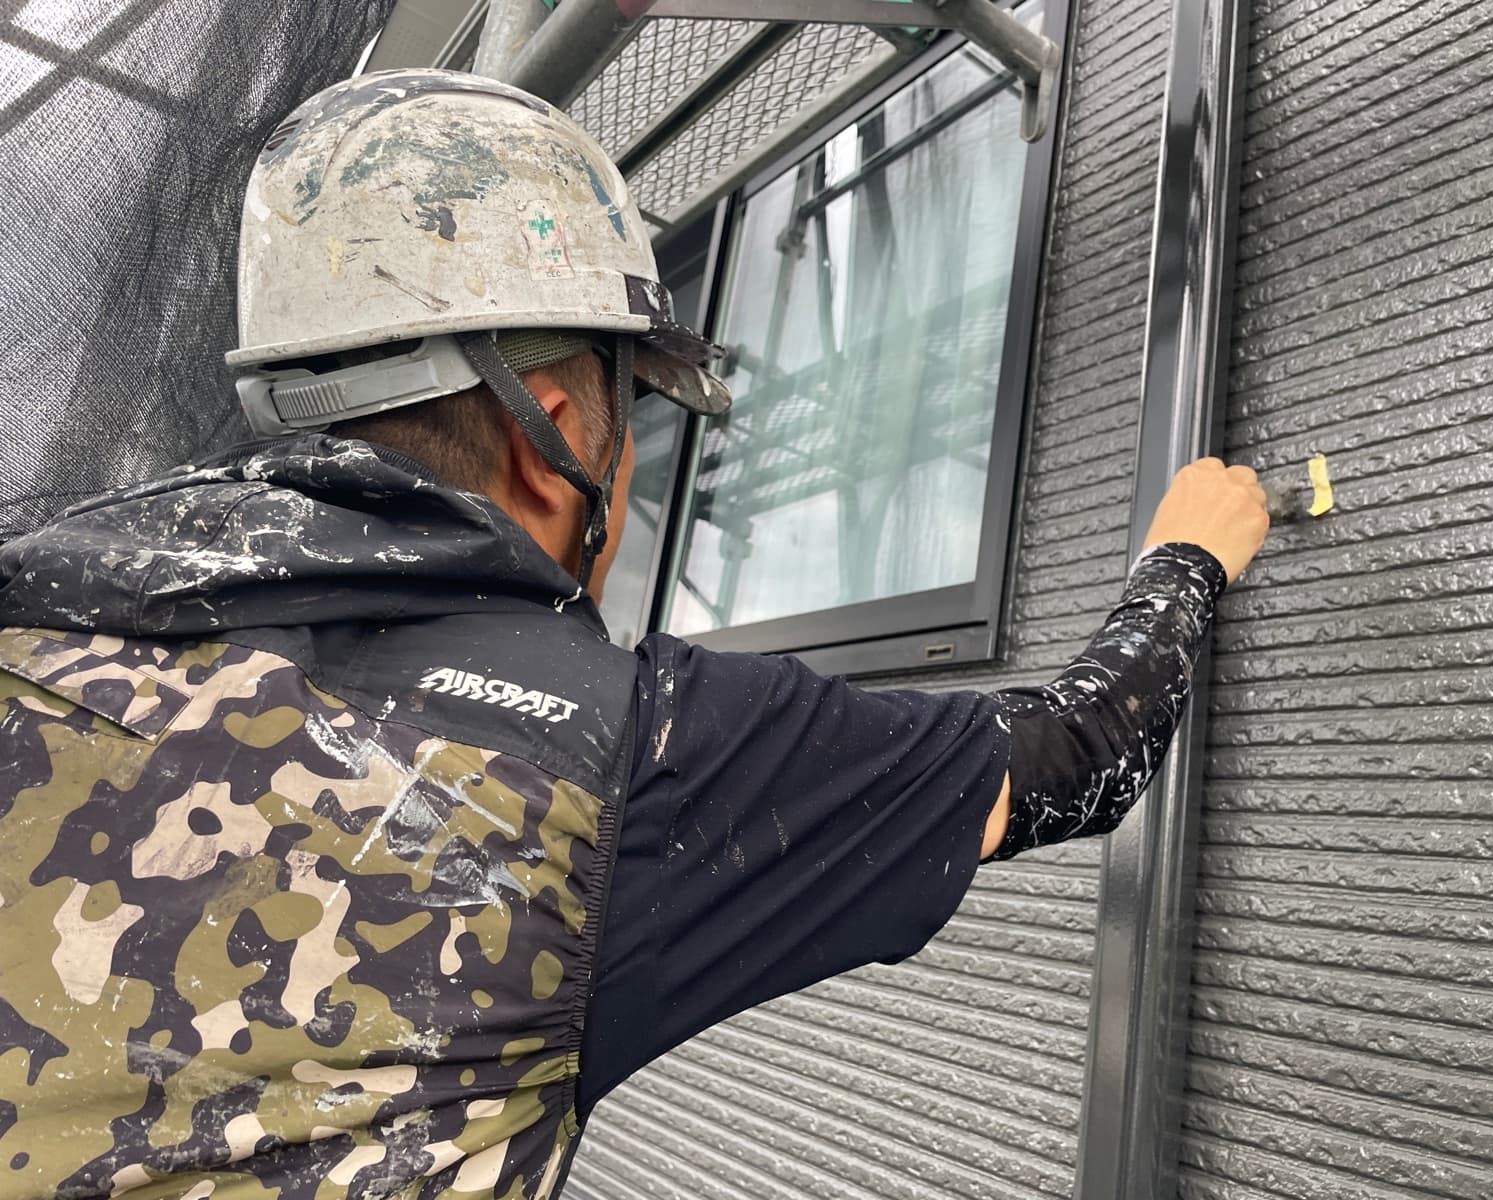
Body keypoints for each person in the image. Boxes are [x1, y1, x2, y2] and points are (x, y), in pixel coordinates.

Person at [0, 70, 1269, 1200]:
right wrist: (1187, 553)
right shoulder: (623, 747)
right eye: (632, 429)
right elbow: (1083, 752)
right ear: (549, 435)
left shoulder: (39, 605)